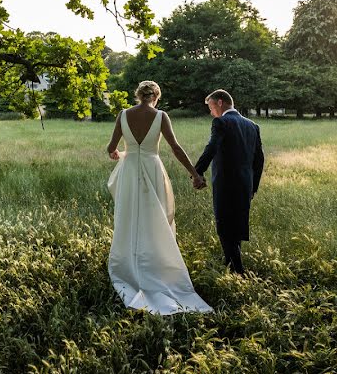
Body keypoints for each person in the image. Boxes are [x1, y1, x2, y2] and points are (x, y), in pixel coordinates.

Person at [106, 80, 213, 315]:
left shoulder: (123, 114)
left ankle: (130, 265)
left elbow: (111, 148)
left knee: (130, 216)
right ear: (156, 96)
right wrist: (195, 174)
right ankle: (155, 264)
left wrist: (118, 153)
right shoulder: (161, 115)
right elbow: (175, 147)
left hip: (130, 168)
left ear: (138, 95)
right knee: (156, 218)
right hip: (152, 169)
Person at [194, 89, 265, 276]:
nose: (211, 112)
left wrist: (197, 171)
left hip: (225, 184)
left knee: (225, 226)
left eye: (210, 107)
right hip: (245, 184)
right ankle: (229, 262)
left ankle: (238, 270)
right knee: (237, 225)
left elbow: (212, 147)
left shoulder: (221, 122)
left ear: (219, 102)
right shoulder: (252, 125)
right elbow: (259, 160)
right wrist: (253, 186)